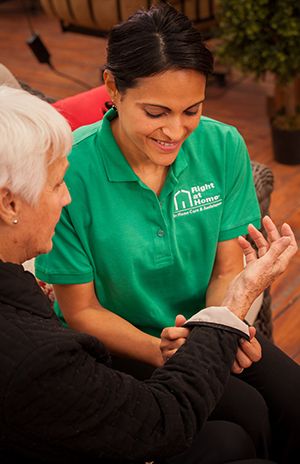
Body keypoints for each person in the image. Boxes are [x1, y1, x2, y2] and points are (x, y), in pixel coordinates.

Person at [34, 3, 300, 463]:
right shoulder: (68, 171)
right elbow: (80, 311)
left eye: (192, 110)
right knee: (246, 417)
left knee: (293, 399)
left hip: (209, 326)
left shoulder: (221, 144)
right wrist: (168, 351)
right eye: (156, 112)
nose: (176, 131)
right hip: (122, 346)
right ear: (113, 87)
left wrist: (217, 333)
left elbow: (226, 267)